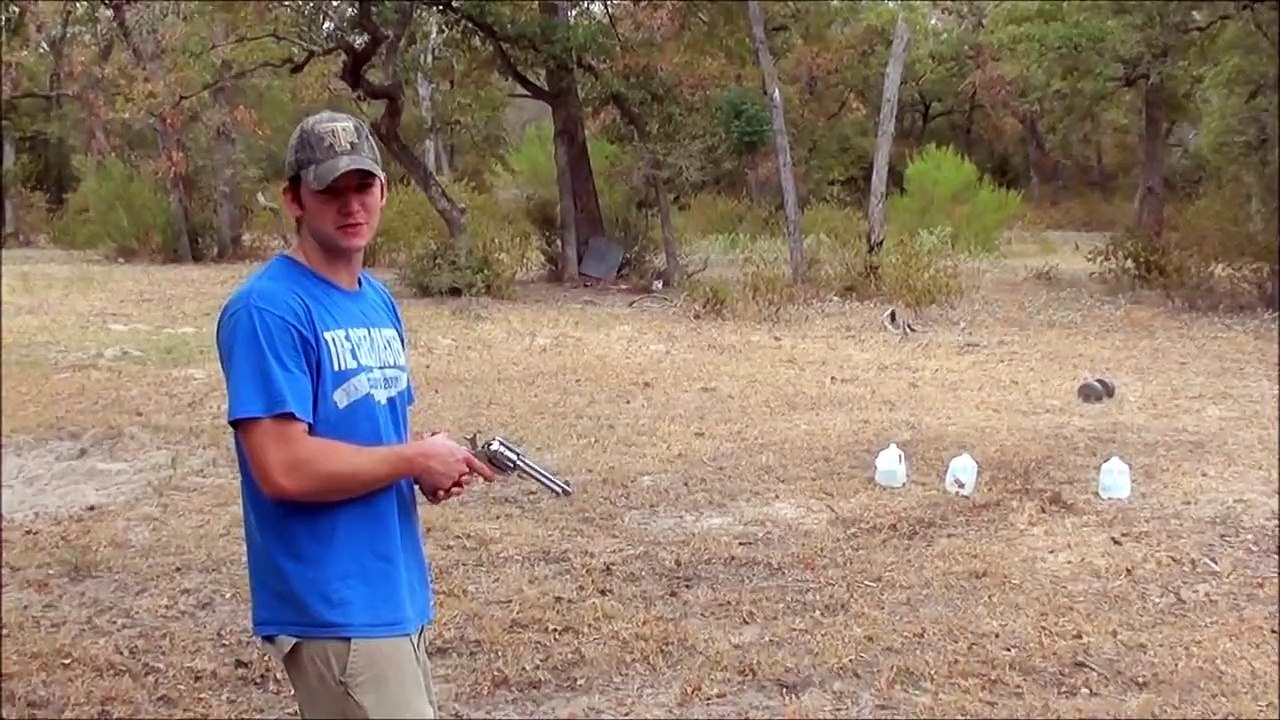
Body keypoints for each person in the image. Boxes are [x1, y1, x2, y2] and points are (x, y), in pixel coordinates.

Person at [214, 110, 497, 719]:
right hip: (333, 606)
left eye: (362, 187)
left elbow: (372, 434)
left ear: (384, 191)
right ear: (294, 199)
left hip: (394, 593)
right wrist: (413, 456)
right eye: (329, 191)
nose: (350, 206)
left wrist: (420, 462)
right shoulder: (267, 311)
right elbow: (283, 467)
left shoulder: (378, 300)